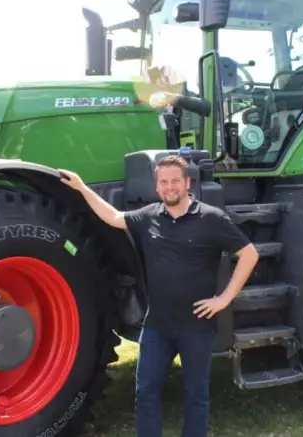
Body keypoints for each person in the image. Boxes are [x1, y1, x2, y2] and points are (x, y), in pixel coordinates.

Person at [59, 156, 259, 437]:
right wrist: (81, 186)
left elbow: (249, 254)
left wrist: (224, 298)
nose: (170, 187)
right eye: (163, 182)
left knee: (196, 396)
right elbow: (113, 217)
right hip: (157, 327)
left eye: (175, 180)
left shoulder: (212, 218)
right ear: (157, 187)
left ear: (187, 182)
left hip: (196, 328)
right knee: (146, 392)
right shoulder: (149, 216)